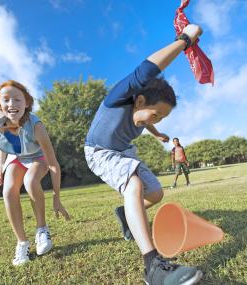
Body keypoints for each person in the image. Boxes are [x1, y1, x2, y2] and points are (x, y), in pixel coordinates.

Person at [84, 24, 204, 284]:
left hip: (124, 151)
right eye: (155, 114)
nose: (155, 118)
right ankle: (153, 266)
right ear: (139, 101)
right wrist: (185, 40)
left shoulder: (142, 113)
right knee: (134, 185)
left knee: (155, 193)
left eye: (161, 117)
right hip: (99, 151)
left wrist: (157, 131)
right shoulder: (118, 97)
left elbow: (145, 119)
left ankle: (125, 214)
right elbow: (147, 70)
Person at [0, 80, 70, 266]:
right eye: (6, 100)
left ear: (26, 103)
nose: (12, 104)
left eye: (17, 100)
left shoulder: (36, 126)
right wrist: (1, 164)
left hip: (38, 158)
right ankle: (22, 242)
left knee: (30, 181)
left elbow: (53, 165)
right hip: (17, 157)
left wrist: (57, 197)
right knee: (8, 191)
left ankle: (42, 230)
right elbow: (4, 144)